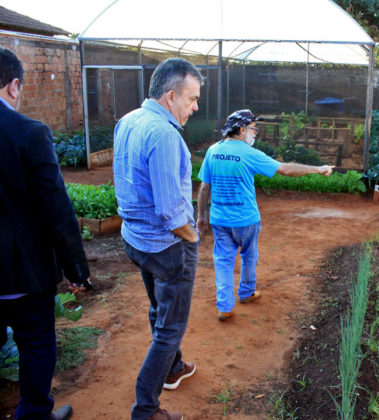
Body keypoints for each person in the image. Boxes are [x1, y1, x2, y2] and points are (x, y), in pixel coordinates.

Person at [0, 47, 91, 420]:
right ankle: (34, 413)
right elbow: (57, 210)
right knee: (36, 342)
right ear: (14, 85)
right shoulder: (29, 133)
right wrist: (76, 270)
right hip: (22, 272)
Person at [113, 58, 202, 420]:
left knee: (157, 306)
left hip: (136, 240)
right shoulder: (164, 134)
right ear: (170, 96)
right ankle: (146, 408)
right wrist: (192, 237)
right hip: (166, 247)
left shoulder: (129, 120)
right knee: (169, 327)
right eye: (192, 99)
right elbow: (171, 211)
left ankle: (172, 368)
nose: (195, 107)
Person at [196, 109, 333, 321]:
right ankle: (247, 293)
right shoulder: (249, 153)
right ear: (241, 130)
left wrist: (201, 216)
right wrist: (318, 169)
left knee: (223, 260)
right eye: (253, 128)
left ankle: (224, 306)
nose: (255, 132)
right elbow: (286, 170)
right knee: (249, 256)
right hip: (245, 219)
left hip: (220, 219)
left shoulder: (213, 151)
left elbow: (204, 187)